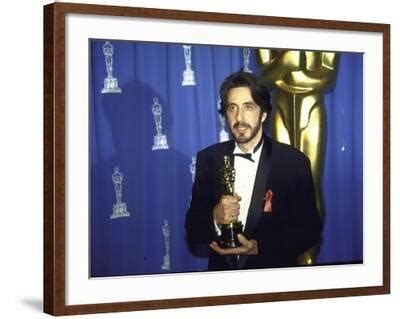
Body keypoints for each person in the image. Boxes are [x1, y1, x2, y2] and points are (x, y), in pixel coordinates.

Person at [185, 71, 323, 271]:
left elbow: (310, 232)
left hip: (273, 280)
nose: (239, 118)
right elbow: (193, 231)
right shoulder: (209, 159)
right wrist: (215, 217)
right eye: (232, 108)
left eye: (248, 107)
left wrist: (260, 247)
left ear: (264, 113)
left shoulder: (293, 162)